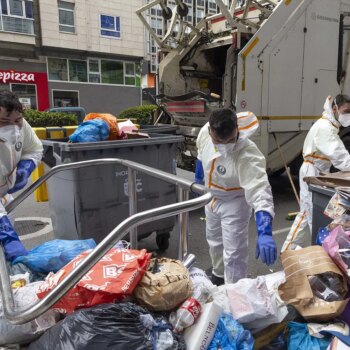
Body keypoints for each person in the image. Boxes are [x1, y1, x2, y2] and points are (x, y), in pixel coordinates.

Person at [195, 108, 277, 285]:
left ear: (237, 130)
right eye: (218, 141)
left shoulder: (247, 153)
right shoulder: (204, 132)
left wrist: (265, 231)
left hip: (235, 202)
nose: (224, 146)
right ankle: (218, 275)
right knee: (214, 242)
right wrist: (198, 177)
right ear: (210, 131)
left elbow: (260, 190)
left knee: (234, 252)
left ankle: (235, 290)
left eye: (230, 140)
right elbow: (201, 155)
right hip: (211, 197)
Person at [282, 94, 350, 251]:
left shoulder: (330, 125)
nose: (348, 115)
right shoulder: (325, 127)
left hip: (317, 171)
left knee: (310, 213)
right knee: (312, 214)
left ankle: (289, 250)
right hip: (312, 171)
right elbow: (340, 157)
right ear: (335, 108)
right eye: (346, 111)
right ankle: (314, 252)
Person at [0, 90, 43, 261]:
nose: (13, 128)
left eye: (17, 121)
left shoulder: (22, 125)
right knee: (9, 243)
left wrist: (26, 167)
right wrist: (7, 235)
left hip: (5, 199)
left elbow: (34, 148)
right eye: (3, 121)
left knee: (7, 258)